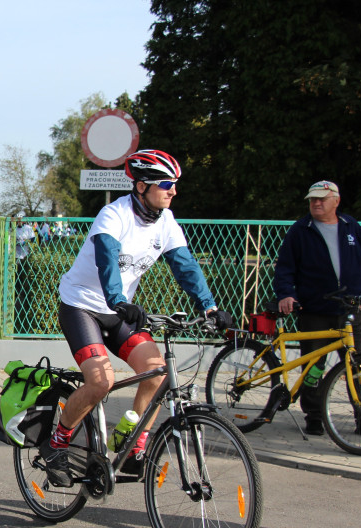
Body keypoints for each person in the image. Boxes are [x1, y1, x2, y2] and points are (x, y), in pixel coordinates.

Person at [41, 149, 233, 487]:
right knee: (102, 382)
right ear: (142, 186)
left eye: (175, 184)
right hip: (82, 306)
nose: (173, 191)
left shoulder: (166, 221)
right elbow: (107, 260)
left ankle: (130, 446)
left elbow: (185, 265)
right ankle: (57, 441)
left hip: (117, 311)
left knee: (156, 375)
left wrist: (210, 307)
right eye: (166, 184)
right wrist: (117, 298)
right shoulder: (113, 215)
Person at [274, 180, 361, 436]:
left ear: (336, 201)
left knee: (357, 363)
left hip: (351, 307)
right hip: (315, 308)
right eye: (312, 199)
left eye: (321, 199)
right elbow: (285, 267)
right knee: (314, 364)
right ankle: (314, 416)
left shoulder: (350, 226)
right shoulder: (301, 230)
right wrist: (287, 294)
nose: (316, 203)